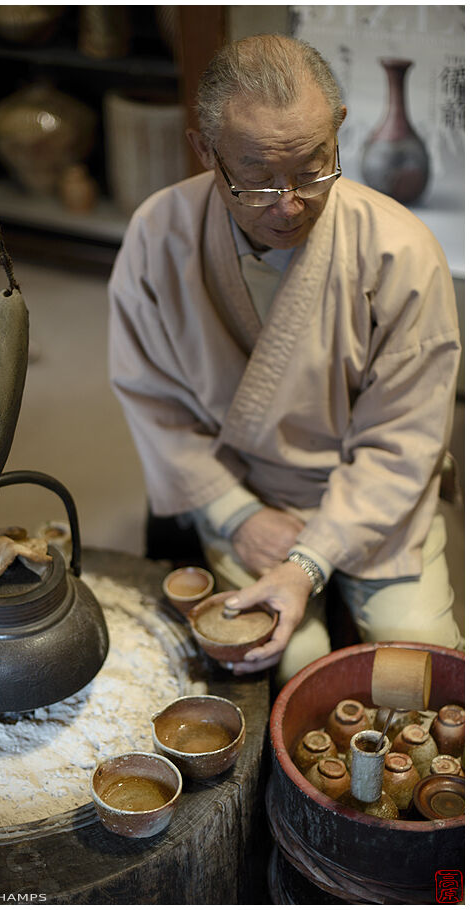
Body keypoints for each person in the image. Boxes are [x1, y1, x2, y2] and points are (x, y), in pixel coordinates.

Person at [108, 34, 462, 683]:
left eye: (311, 170)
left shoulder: (402, 254)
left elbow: (405, 439)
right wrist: (234, 514)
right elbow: (150, 398)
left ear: (339, 132)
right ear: (205, 151)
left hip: (376, 501)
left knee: (418, 674)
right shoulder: (158, 236)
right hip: (246, 489)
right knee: (284, 667)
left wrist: (310, 559)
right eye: (258, 179)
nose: (289, 204)